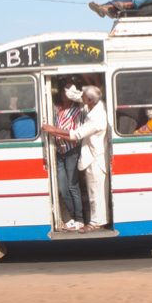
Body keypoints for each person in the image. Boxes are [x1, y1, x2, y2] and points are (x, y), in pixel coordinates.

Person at [42, 85, 108, 233]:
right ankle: (97, 220)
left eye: (83, 96)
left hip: (95, 158)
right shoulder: (95, 106)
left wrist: (53, 130)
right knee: (93, 192)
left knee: (95, 192)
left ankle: (95, 222)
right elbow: (75, 95)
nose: (81, 97)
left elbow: (76, 135)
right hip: (91, 156)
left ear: (90, 99)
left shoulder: (96, 116)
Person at [50, 81, 85, 231]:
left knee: (72, 186)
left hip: (71, 151)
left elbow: (76, 136)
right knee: (62, 189)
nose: (64, 93)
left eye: (67, 91)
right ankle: (71, 217)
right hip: (58, 151)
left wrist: (53, 131)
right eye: (63, 90)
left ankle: (79, 218)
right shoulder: (54, 108)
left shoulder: (76, 111)